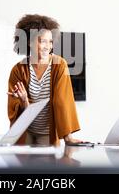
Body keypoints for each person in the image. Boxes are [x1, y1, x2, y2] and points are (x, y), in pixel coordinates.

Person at [7, 14, 81, 146]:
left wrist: (68, 137)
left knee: (48, 165)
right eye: (43, 41)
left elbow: (62, 102)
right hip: (25, 131)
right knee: (21, 164)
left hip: (48, 132)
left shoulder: (59, 65)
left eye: (50, 41)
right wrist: (23, 100)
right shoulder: (18, 70)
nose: (48, 46)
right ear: (29, 42)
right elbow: (15, 111)